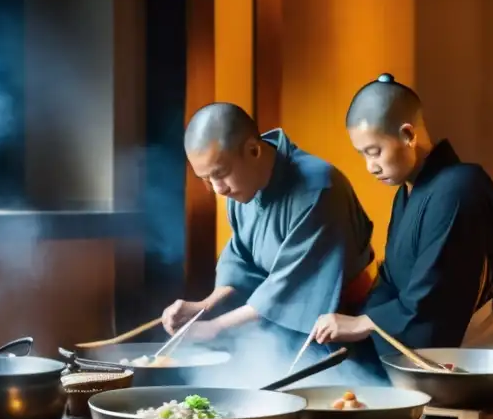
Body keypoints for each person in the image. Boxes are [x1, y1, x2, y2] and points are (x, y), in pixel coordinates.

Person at [310, 74, 493, 353]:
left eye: (375, 152)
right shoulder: (407, 194)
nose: (370, 167)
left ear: (408, 135)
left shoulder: (459, 187)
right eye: (362, 155)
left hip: (467, 351)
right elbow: (389, 280)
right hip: (415, 347)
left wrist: (366, 323)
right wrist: (358, 322)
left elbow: (438, 294)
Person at [161, 103, 377, 345]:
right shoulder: (242, 188)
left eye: (220, 173)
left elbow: (292, 286)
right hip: (277, 325)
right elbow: (241, 260)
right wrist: (204, 306)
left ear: (253, 150)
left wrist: (216, 327)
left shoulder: (318, 189)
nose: (218, 188)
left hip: (341, 326)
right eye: (206, 179)